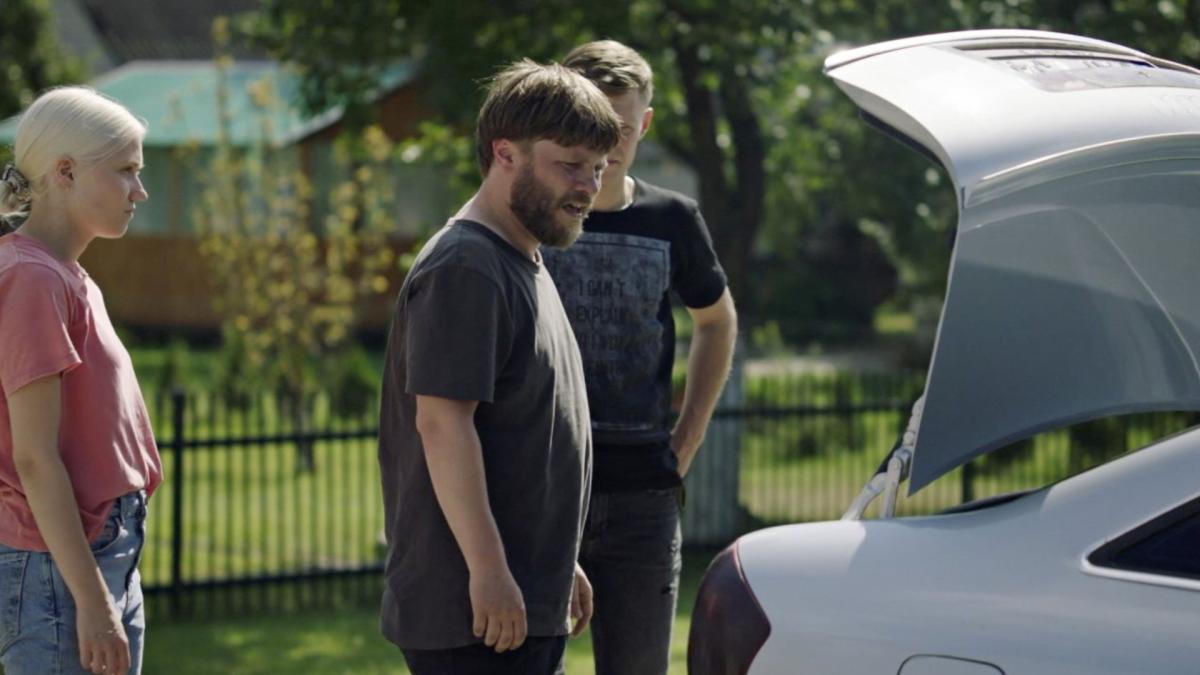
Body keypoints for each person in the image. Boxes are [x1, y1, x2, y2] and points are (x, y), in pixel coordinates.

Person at [376, 59, 622, 675]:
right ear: (504, 153)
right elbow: (443, 426)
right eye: (569, 164)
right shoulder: (467, 267)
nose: (588, 186)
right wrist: (489, 571)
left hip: (520, 597)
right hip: (474, 615)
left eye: (598, 168)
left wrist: (558, 563)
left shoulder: (523, 258)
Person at [544, 40, 738, 675]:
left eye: (622, 127)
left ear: (644, 125)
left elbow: (717, 321)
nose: (608, 141)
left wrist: (687, 439)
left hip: (641, 497)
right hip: (539, 486)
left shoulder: (672, 220)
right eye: (592, 123)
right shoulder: (534, 218)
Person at [0, 87, 162, 675]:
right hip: (60, 571)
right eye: (125, 171)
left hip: (97, 556)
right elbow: (35, 459)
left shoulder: (69, 276)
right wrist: (94, 605)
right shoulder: (32, 279)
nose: (139, 191)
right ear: (64, 172)